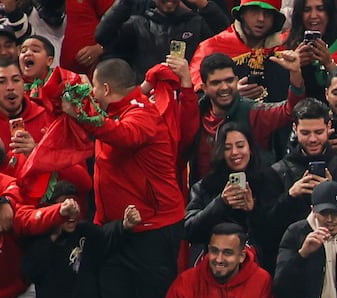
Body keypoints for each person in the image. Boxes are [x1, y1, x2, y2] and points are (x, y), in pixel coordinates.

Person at [61, 58, 186, 298]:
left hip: (153, 232)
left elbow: (124, 136)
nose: (92, 97)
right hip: (115, 231)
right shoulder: (120, 110)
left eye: (94, 91)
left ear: (104, 89)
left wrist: (82, 115)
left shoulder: (140, 115)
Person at [184, 122, 287, 273]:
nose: (235, 152)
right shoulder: (205, 186)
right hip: (215, 268)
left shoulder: (270, 180)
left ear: (250, 148)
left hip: (261, 267)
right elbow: (191, 230)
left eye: (240, 146)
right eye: (227, 148)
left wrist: (253, 211)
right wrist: (220, 203)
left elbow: (278, 233)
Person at [190, 51, 304, 184]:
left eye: (229, 80)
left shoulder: (253, 112)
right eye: (216, 83)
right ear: (204, 88)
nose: (224, 87)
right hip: (206, 198)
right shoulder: (196, 114)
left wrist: (296, 75)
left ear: (236, 81)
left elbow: (290, 111)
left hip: (251, 197)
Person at [271, 98, 337, 228]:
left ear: (329, 127)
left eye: (318, 132)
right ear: (295, 129)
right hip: (296, 244)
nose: (313, 139)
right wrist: (290, 196)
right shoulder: (277, 172)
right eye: (305, 133)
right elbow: (268, 227)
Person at [93, 0, 228, 77]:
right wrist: (126, 2)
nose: (169, 3)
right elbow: (102, 36)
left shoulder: (196, 23)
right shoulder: (138, 24)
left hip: (188, 97)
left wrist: (203, 4)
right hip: (149, 98)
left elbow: (227, 39)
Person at [189, 0, 289, 101]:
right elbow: (195, 99)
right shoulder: (210, 48)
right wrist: (229, 95)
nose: (261, 19)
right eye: (254, 11)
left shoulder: (284, 51)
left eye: (268, 13)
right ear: (242, 14)